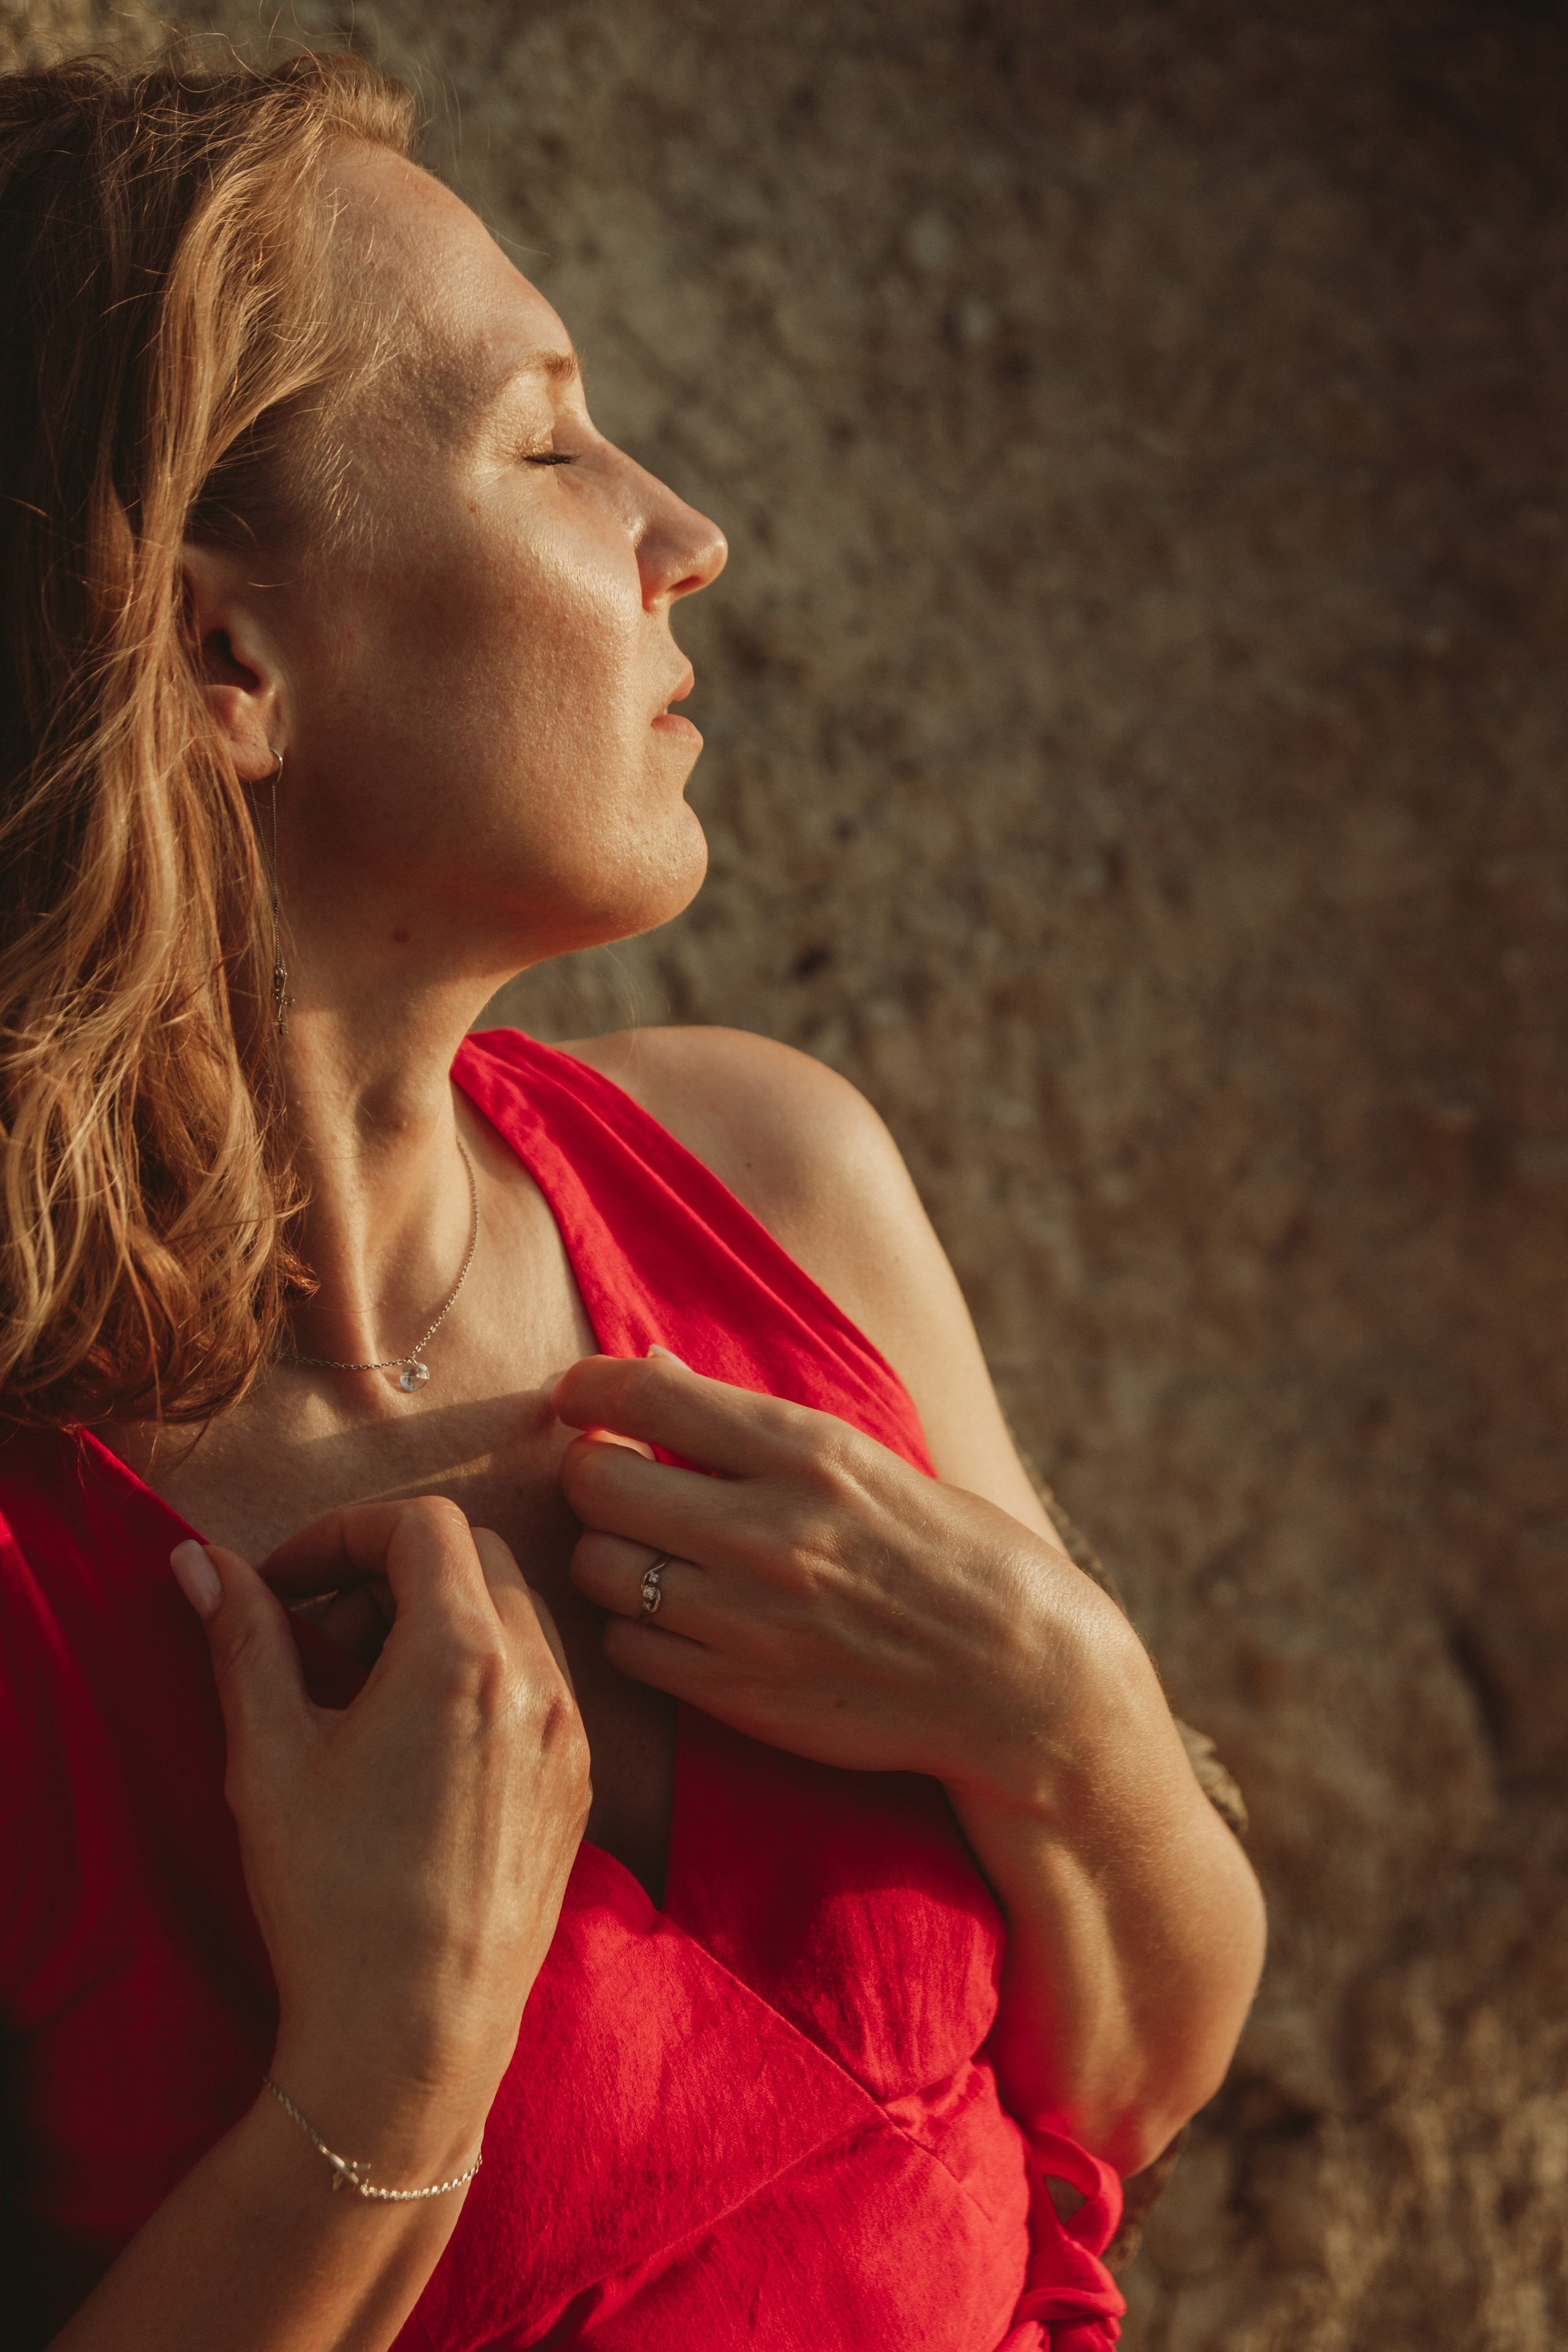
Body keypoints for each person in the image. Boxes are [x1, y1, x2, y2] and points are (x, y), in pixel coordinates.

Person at [0, 50, 1266, 2352]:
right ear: (225, 656)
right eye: (550, 441)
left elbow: (1133, 2086)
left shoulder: (771, 1177)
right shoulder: (28, 1564)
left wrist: (1069, 1715)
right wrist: (377, 2084)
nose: (682, 526)